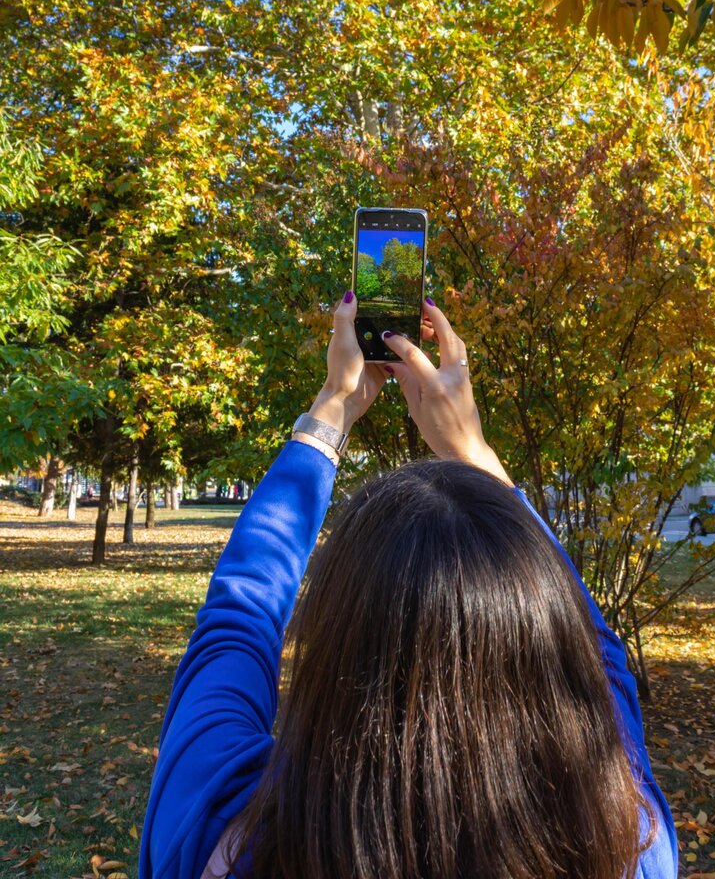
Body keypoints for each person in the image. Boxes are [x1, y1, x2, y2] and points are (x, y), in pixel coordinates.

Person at [139, 294, 677, 879]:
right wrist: (473, 451)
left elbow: (236, 620)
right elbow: (599, 656)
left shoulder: (220, 827)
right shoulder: (627, 838)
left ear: (336, 642)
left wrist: (335, 407)